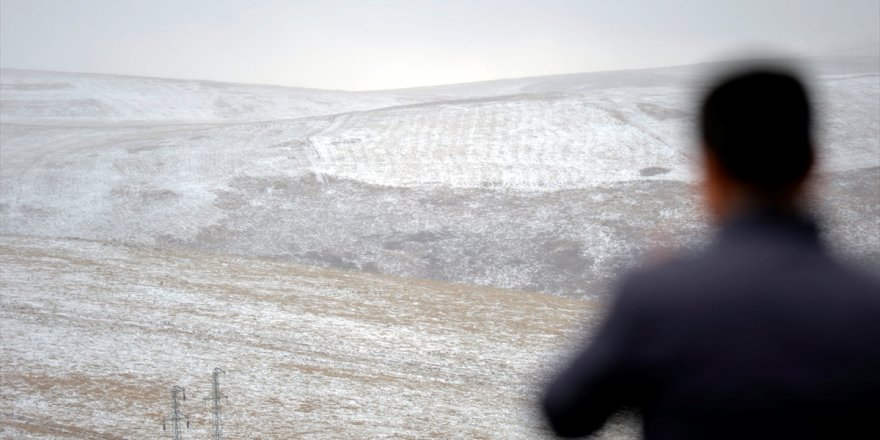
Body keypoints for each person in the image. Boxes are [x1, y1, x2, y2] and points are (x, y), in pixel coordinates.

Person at [541, 67, 880, 439]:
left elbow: (566, 412)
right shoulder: (868, 302)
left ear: (711, 168)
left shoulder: (658, 296)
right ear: (811, 165)